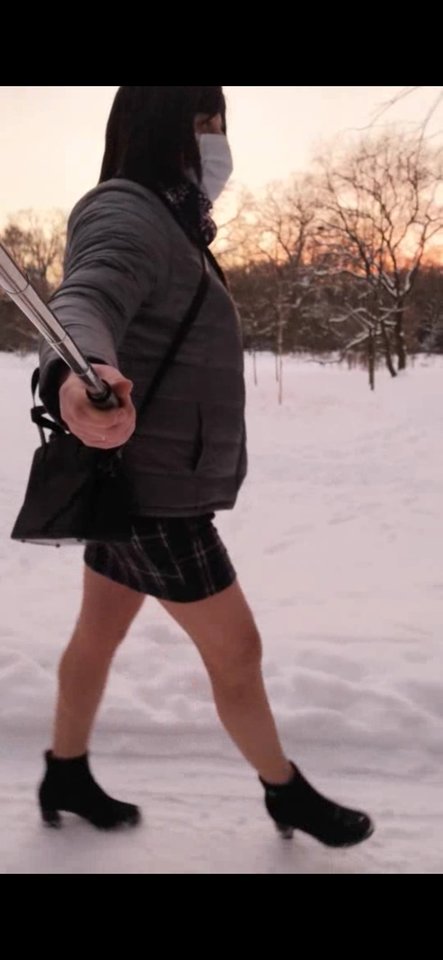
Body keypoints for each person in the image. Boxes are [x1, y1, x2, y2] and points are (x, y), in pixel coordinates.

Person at [37, 86, 374, 847]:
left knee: (96, 634)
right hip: (157, 498)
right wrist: (81, 373)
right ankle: (284, 791)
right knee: (237, 652)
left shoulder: (173, 226)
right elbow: (86, 296)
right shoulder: (126, 211)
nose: (217, 141)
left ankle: (65, 771)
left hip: (135, 482)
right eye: (205, 123)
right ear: (166, 128)